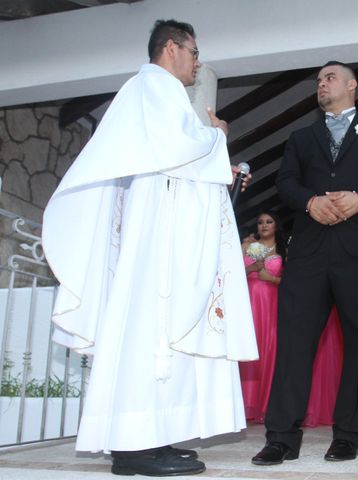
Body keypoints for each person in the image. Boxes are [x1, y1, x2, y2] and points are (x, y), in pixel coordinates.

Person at [42, 20, 258, 477]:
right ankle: (134, 449)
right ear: (171, 48)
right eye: (194, 53)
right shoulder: (151, 87)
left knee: (159, 337)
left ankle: (150, 439)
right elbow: (177, 148)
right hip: (156, 243)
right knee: (151, 335)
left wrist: (220, 159)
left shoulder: (157, 94)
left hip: (162, 234)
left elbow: (177, 159)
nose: (197, 63)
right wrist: (217, 134)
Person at [251, 61, 358, 465]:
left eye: (330, 77)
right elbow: (284, 182)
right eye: (319, 80)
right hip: (308, 253)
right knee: (293, 344)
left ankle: (348, 433)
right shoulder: (301, 137)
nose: (322, 83)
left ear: (352, 85)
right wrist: (309, 201)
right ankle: (281, 437)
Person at [240, 211, 344, 426]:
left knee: (272, 351)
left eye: (269, 221)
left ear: (277, 225)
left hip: (272, 305)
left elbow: (293, 280)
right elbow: (231, 273)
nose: (264, 225)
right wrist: (251, 267)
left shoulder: (284, 249)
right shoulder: (249, 246)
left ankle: (269, 404)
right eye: (260, 222)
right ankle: (246, 403)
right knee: (248, 353)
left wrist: (272, 278)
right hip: (248, 305)